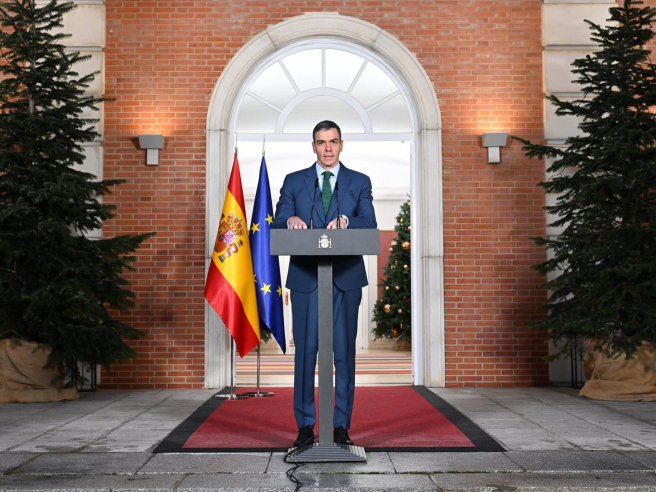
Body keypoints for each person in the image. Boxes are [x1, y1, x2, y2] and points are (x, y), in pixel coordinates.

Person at [273, 120, 377, 448]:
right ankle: (305, 426)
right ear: (313, 146)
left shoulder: (359, 181)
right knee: (305, 354)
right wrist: (289, 219)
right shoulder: (294, 181)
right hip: (306, 278)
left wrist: (346, 220)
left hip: (346, 280)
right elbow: (277, 222)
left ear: (341, 144)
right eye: (321, 142)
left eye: (333, 142)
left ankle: (341, 425)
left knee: (344, 355)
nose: (328, 148)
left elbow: (369, 222)